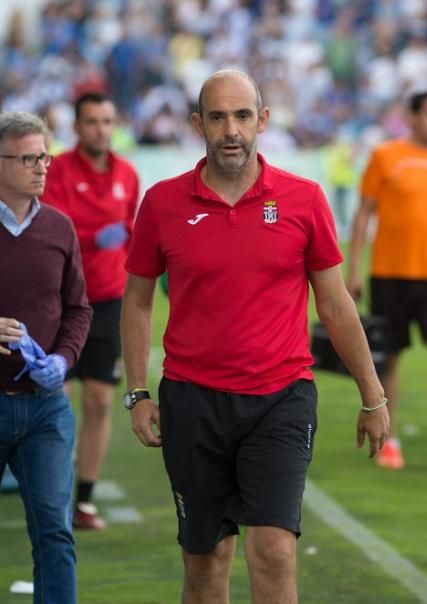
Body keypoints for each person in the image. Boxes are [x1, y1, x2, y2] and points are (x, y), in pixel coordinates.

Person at [120, 69, 389, 604]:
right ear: (198, 124)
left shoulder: (304, 199)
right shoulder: (163, 202)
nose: (231, 130)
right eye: (217, 117)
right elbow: (137, 299)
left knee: (274, 551)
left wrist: (372, 394)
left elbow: (335, 305)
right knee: (205, 562)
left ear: (263, 120)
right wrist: (137, 393)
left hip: (280, 400)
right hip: (192, 401)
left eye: (243, 116)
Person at [347, 90, 427, 470]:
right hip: (389, 273)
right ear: (412, 117)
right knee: (390, 358)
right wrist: (352, 270)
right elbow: (364, 213)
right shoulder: (386, 157)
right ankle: (391, 439)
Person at [0, 111, 92, 603]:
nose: (41, 168)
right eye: (28, 158)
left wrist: (63, 360)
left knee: (55, 535)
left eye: (44, 157)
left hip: (46, 408)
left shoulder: (59, 227)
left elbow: (78, 309)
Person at [41, 92, 139, 529]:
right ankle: (52, 494)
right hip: (59, 300)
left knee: (99, 402)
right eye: (92, 122)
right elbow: (55, 229)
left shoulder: (127, 174)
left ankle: (83, 500)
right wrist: (100, 233)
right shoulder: (58, 170)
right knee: (55, 401)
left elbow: (136, 230)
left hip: (109, 302)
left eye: (107, 121)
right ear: (77, 128)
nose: (101, 129)